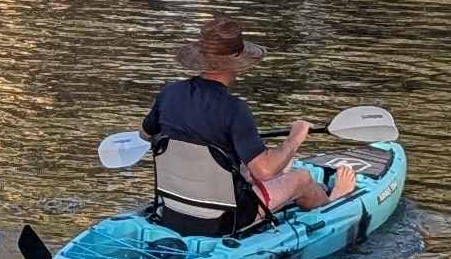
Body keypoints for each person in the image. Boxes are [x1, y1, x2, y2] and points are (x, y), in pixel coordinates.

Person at [142, 18, 356, 232]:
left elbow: (145, 134)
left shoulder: (168, 93)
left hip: (171, 211)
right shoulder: (234, 109)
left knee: (244, 168)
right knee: (301, 178)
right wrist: (295, 139)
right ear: (237, 61)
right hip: (225, 220)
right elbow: (265, 171)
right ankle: (334, 201)